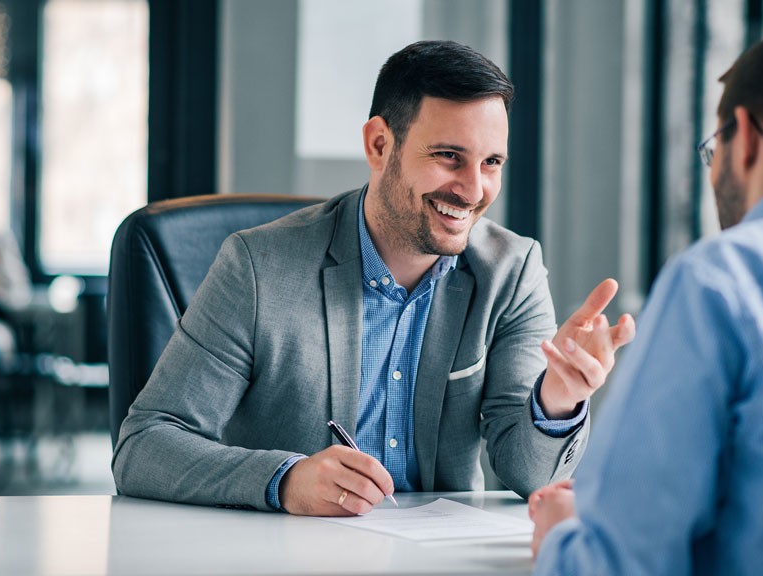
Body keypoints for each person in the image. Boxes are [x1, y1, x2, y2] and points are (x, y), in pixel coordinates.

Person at [113, 40, 634, 516]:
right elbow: (144, 446)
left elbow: (529, 474)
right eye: (449, 156)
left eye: (491, 162)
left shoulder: (511, 272)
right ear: (380, 145)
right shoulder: (257, 266)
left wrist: (558, 399)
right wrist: (286, 479)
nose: (473, 189)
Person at [530, 18, 763, 575]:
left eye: (712, 145)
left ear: (743, 136)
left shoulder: (722, 281)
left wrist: (562, 539)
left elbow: (622, 565)